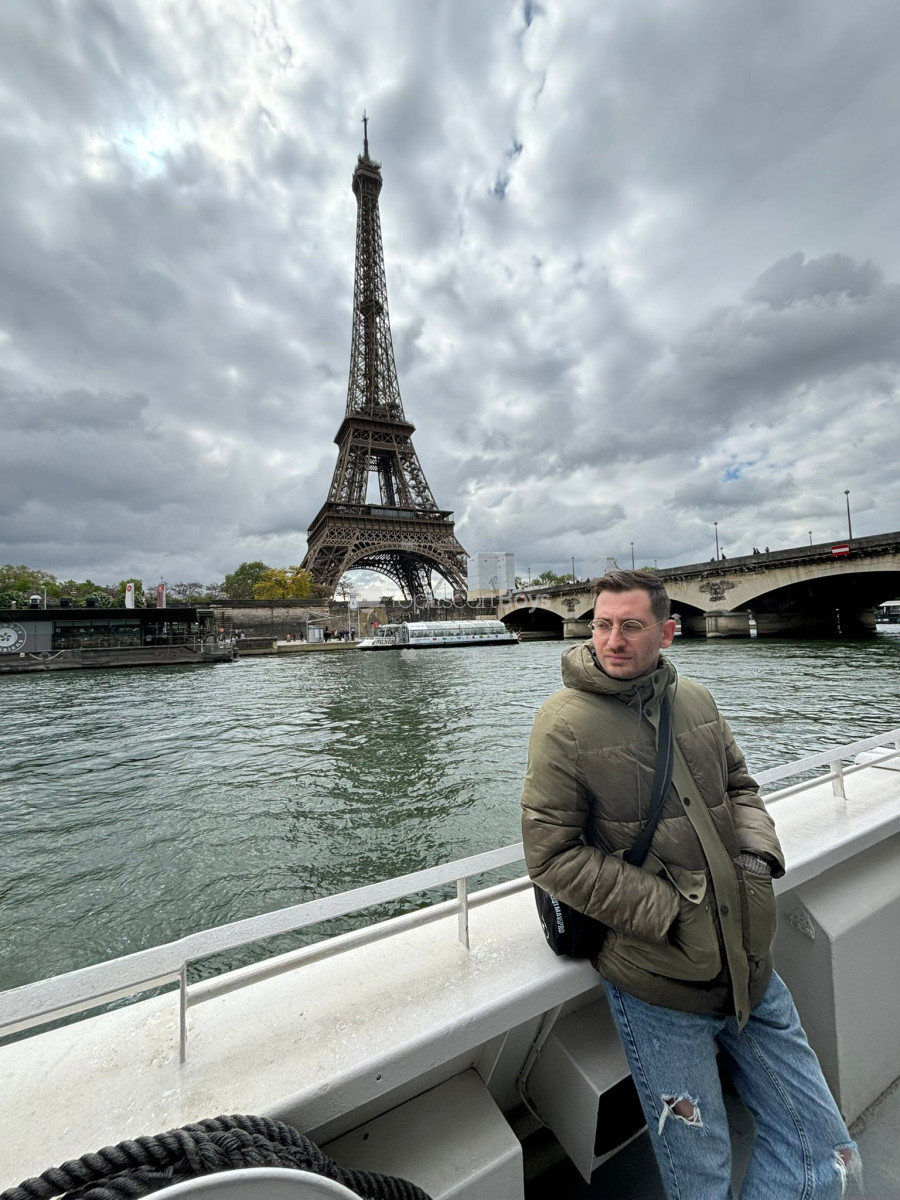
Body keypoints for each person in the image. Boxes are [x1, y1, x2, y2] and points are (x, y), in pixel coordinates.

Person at [521, 569, 858, 1199]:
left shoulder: (696, 700)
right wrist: (669, 913)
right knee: (700, 1179)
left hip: (750, 962)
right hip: (658, 983)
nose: (612, 640)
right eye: (602, 625)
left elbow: (740, 788)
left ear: (668, 632)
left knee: (829, 1153)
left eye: (630, 625)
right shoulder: (562, 724)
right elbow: (551, 856)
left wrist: (756, 862)